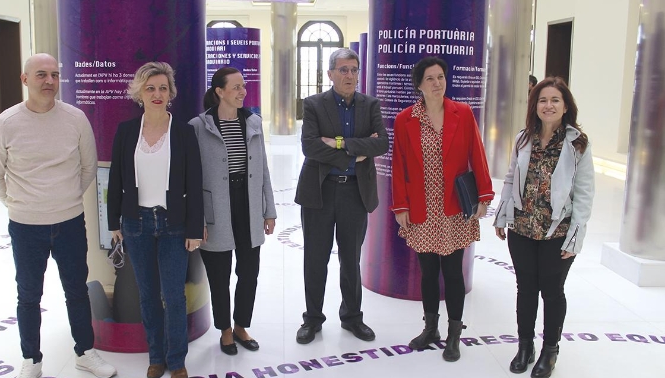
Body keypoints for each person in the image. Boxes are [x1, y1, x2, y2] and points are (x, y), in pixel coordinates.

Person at [0, 53, 117, 378]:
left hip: (70, 221)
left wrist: (65, 199)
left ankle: (85, 353)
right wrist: (21, 204)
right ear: (25, 79)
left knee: (77, 289)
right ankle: (31, 360)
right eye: (41, 74)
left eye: (55, 75)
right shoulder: (7, 123)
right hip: (26, 225)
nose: (50, 81)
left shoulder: (75, 118)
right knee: (29, 295)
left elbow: (88, 168)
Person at [390, 56, 494, 362]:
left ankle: (454, 335)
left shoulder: (462, 113)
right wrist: (400, 206)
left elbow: (478, 153)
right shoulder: (405, 119)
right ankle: (431, 328)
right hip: (421, 208)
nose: (438, 83)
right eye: (430, 79)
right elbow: (399, 166)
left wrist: (484, 196)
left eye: (441, 77)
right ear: (419, 85)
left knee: (452, 272)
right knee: (427, 272)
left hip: (453, 208)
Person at [107, 62, 203, 378]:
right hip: (136, 224)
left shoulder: (183, 132)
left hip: (173, 223)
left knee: (174, 295)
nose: (157, 94)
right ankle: (156, 357)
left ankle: (177, 360)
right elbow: (116, 179)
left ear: (171, 93)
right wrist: (114, 222)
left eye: (163, 88)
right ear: (139, 93)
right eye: (150, 88)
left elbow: (195, 180)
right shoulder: (125, 132)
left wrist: (194, 229)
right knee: (147, 295)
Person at [494, 76, 594, 378]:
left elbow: (584, 193)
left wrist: (575, 238)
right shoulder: (524, 138)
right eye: (542, 100)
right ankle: (525, 346)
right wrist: (502, 215)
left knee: (551, 291)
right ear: (534, 106)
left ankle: (550, 350)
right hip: (522, 229)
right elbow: (511, 178)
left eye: (554, 100)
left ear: (565, 107)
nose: (548, 105)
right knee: (525, 290)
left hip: (557, 233)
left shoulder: (578, 144)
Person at [294, 48, 389, 344]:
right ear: (330, 74)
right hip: (319, 193)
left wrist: (336, 143)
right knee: (315, 258)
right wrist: (354, 153)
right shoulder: (313, 105)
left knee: (351, 259)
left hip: (355, 194)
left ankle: (351, 317)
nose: (350, 75)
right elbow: (310, 147)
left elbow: (381, 144)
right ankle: (312, 319)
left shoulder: (370, 105)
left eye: (354, 70)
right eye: (344, 69)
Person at [189, 67, 276, 355]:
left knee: (249, 271)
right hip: (216, 208)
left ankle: (241, 326)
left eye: (243, 86)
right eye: (236, 87)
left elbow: (262, 168)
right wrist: (197, 219)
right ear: (220, 92)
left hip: (248, 204)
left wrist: (269, 209)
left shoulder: (252, 122)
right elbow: (193, 178)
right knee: (219, 275)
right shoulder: (198, 127)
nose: (243, 92)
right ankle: (224, 329)